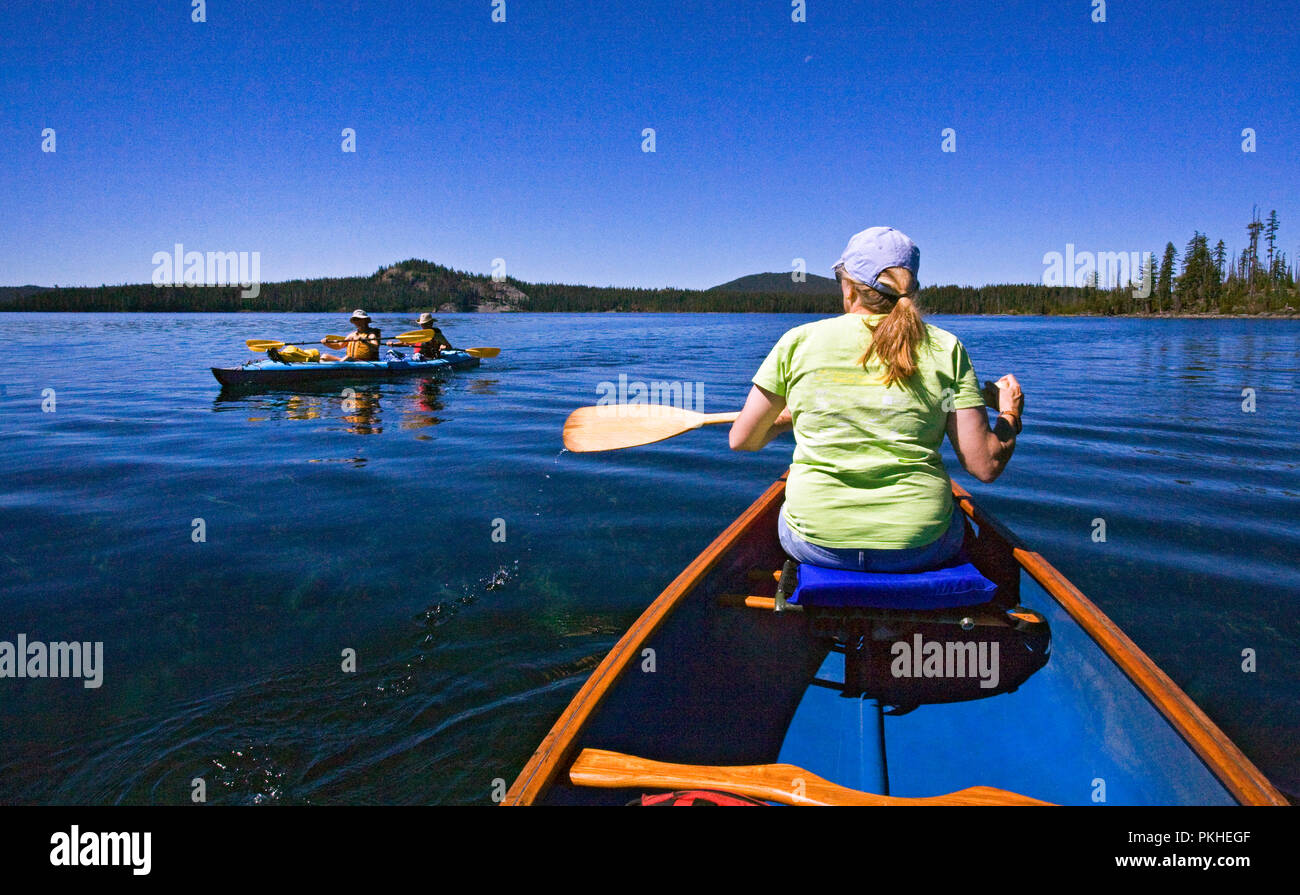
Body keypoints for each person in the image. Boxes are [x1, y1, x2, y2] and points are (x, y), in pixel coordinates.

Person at [729, 226, 1024, 573]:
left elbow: (742, 439)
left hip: (815, 543)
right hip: (918, 546)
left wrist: (789, 417)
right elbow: (985, 465)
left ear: (849, 285)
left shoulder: (796, 342)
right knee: (958, 526)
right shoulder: (946, 348)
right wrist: (1010, 413)